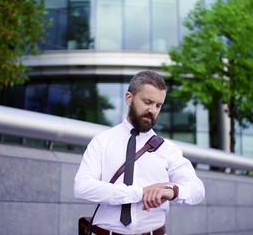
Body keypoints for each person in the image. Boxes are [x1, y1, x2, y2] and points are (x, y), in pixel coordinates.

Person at [74, 71, 205, 235]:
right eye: (147, 102)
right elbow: (82, 187)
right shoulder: (102, 141)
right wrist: (140, 193)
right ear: (129, 98)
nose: (153, 110)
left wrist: (171, 191)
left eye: (158, 105)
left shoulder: (168, 149)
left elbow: (197, 190)